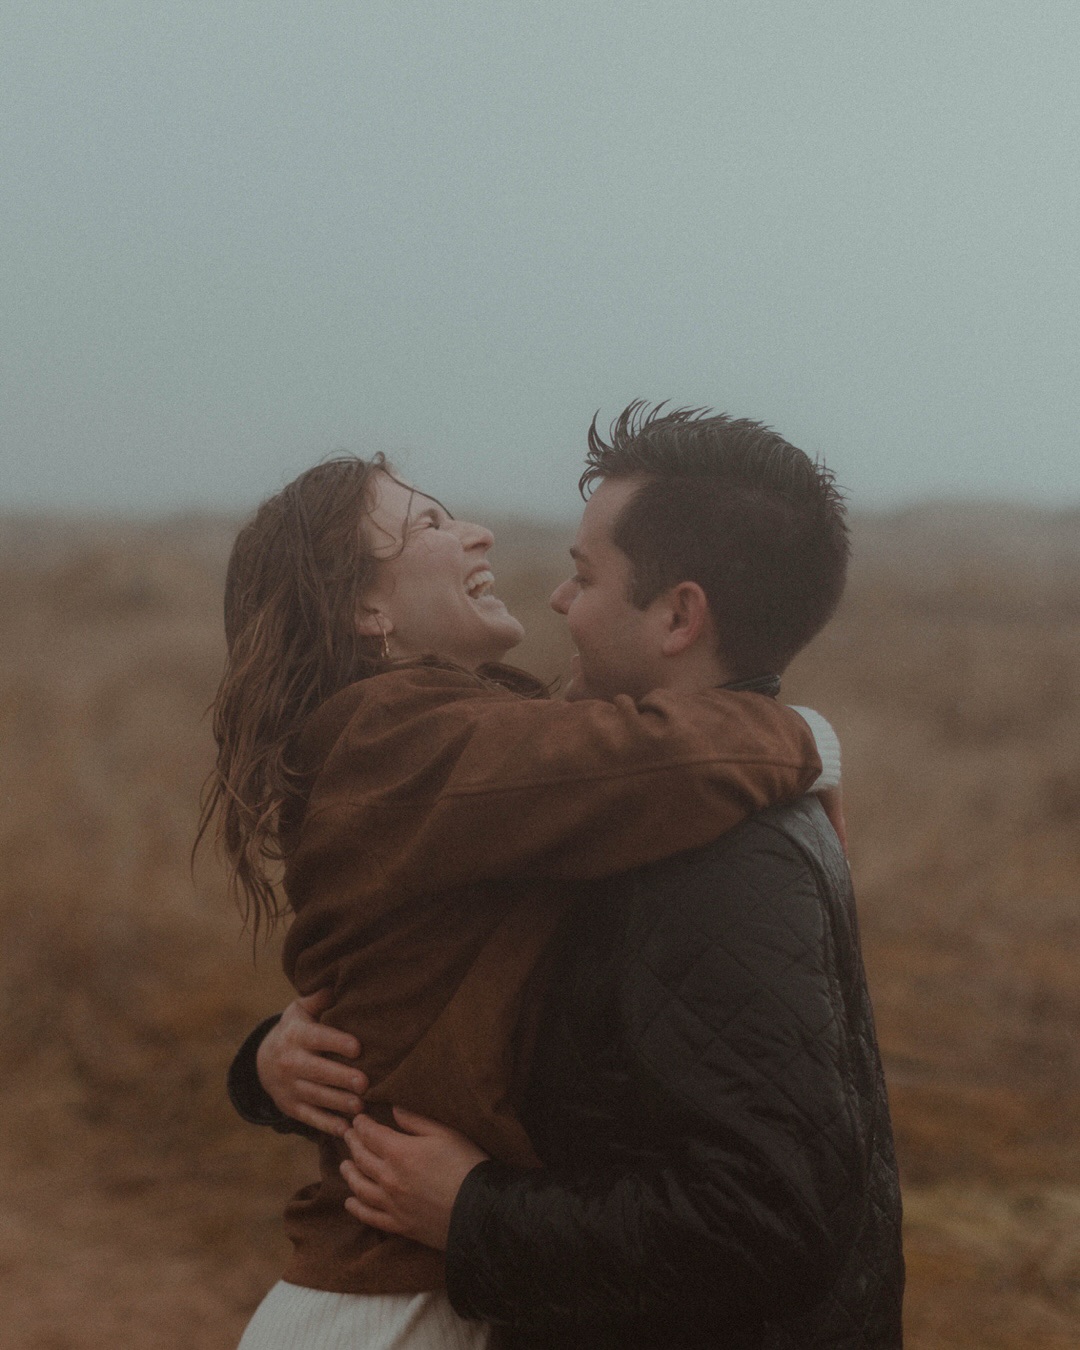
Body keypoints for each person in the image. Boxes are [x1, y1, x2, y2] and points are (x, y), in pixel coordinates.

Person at [243, 406, 903, 1347]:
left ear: (680, 615)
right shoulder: (397, 737)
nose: (550, 592)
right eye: (428, 523)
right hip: (386, 1299)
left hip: (427, 1289)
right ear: (368, 610)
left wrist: (475, 1211)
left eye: (584, 576)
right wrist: (810, 739)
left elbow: (763, 1212)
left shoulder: (700, 840)